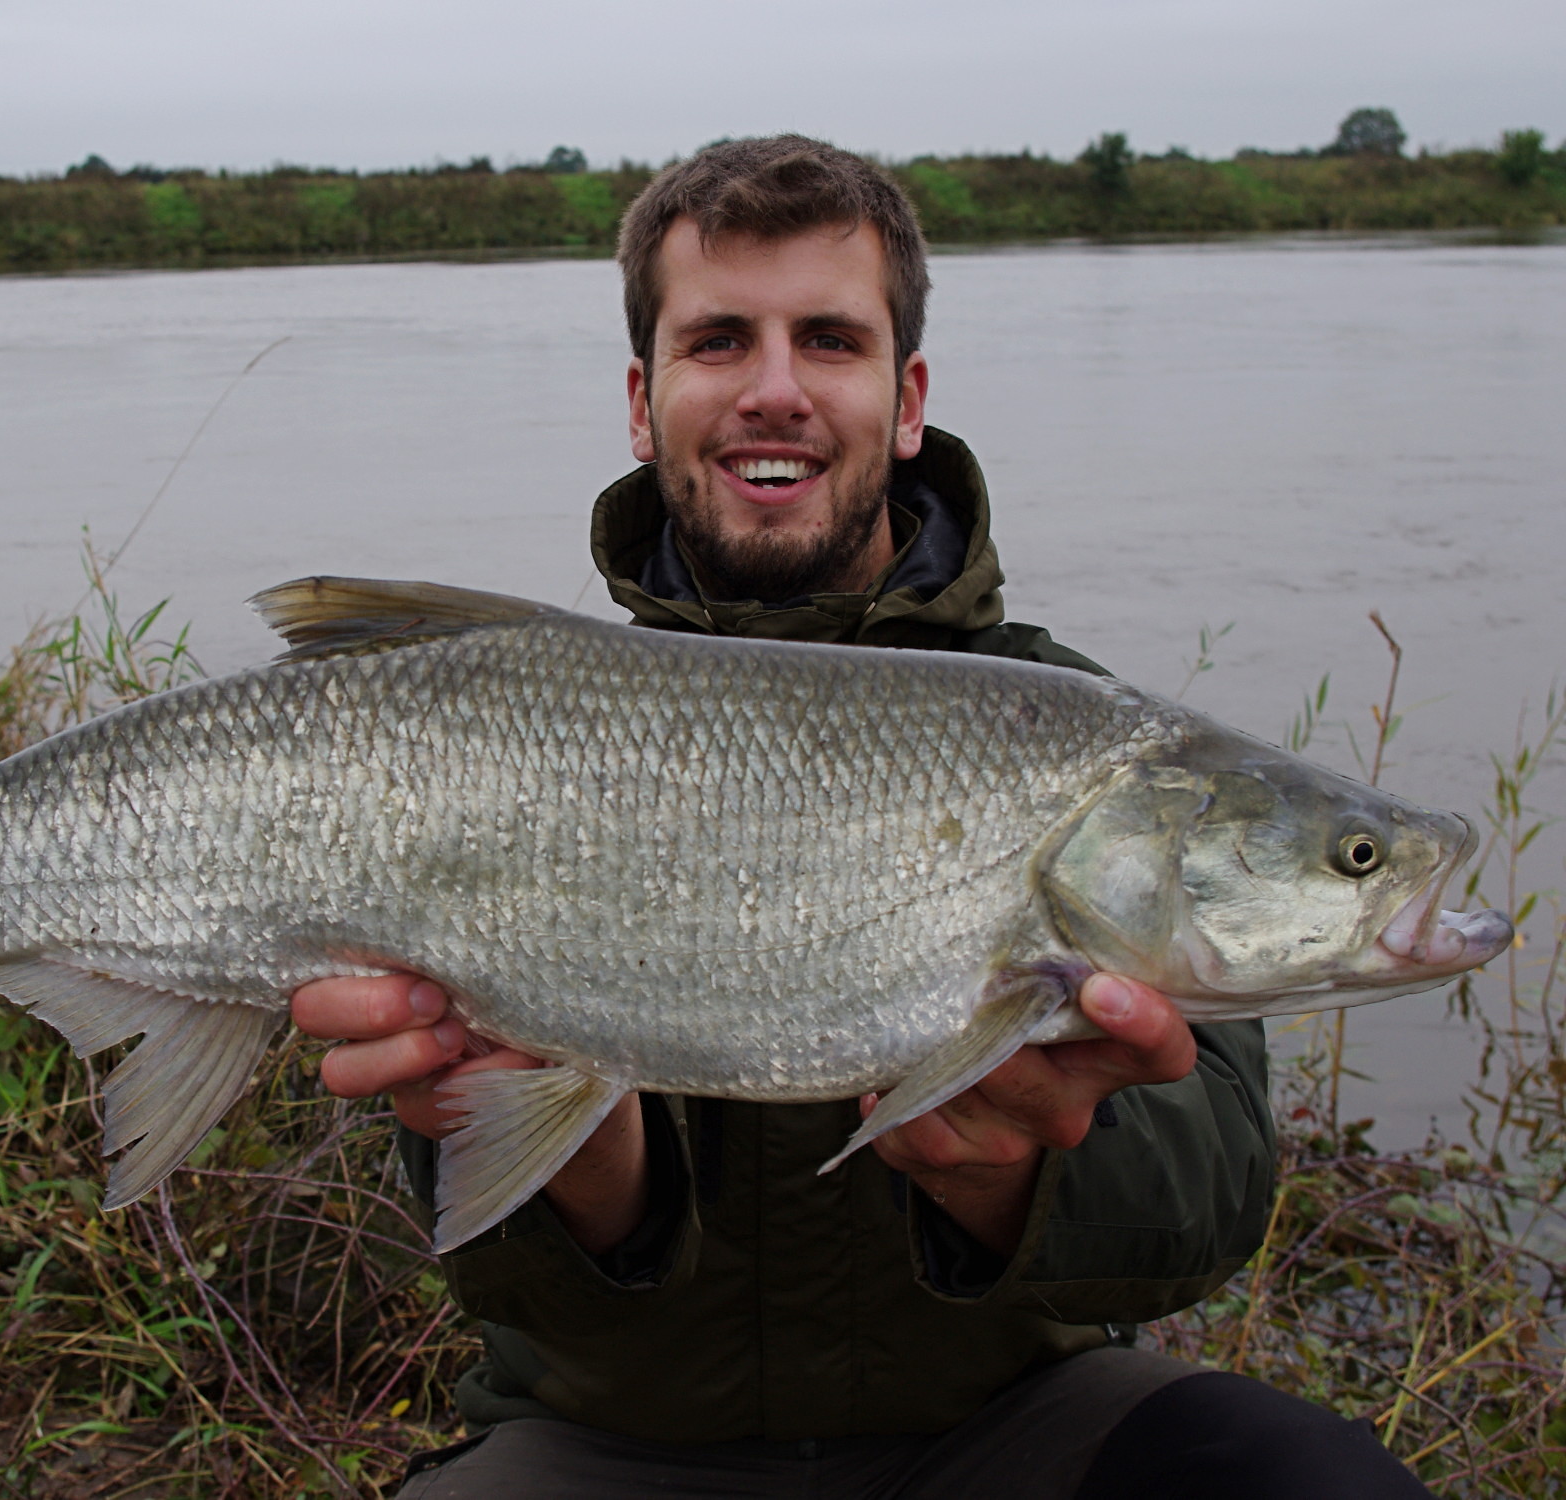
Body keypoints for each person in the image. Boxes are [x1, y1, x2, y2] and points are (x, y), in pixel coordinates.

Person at [294, 136, 1431, 1498]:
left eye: (830, 340)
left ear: (907, 399)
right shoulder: (509, 733)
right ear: (645, 399)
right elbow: (463, 1246)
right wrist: (593, 1170)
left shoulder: (1091, 735)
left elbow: (1213, 1206)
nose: (775, 390)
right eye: (721, 342)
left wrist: (1005, 1173)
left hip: (1015, 1426)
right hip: (608, 1442)